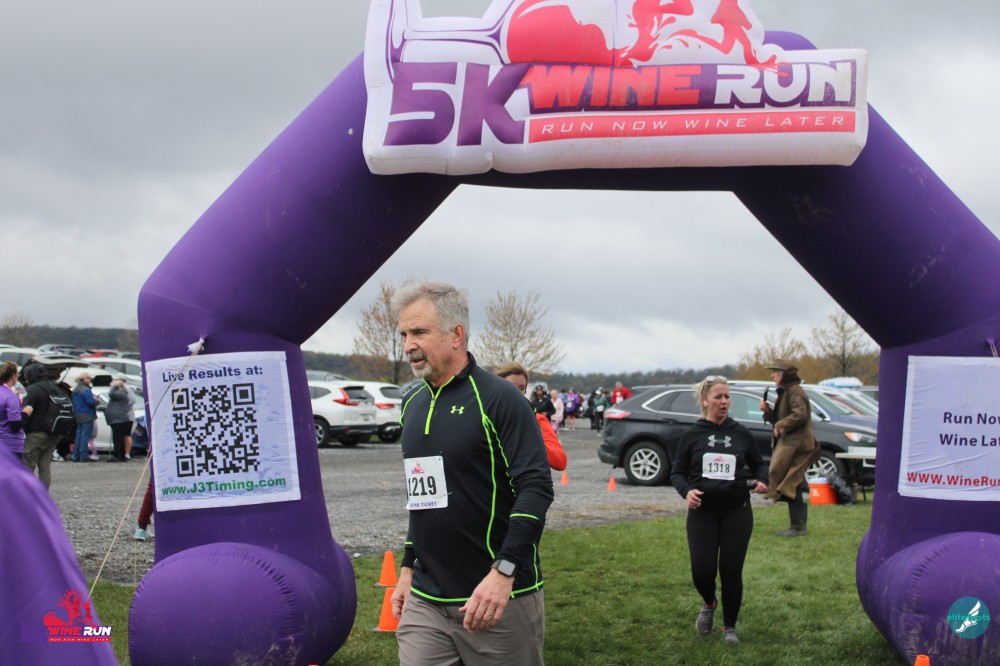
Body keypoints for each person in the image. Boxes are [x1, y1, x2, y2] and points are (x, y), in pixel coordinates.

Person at [390, 281, 554, 666]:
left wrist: (504, 571)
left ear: (456, 334)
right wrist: (408, 567)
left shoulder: (500, 398)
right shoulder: (412, 403)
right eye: (404, 334)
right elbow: (423, 495)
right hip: (427, 599)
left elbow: (536, 487)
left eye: (419, 332)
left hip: (498, 597)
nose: (408, 345)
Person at [670, 376, 768, 645]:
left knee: (731, 570)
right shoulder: (692, 434)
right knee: (702, 572)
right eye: (718, 397)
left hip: (737, 510)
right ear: (705, 401)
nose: (724, 402)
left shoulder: (740, 432)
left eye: (727, 397)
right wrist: (686, 491)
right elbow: (677, 472)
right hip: (702, 511)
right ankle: (709, 602)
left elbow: (759, 463)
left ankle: (729, 628)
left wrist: (763, 480)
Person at [760, 359, 821, 537]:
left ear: (784, 374)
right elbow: (781, 417)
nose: (772, 375)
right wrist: (768, 411)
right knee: (792, 482)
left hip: (798, 446)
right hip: (791, 444)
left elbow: (799, 415)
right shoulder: (786, 391)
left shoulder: (794, 391)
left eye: (775, 372)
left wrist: (781, 425)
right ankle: (797, 526)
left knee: (792, 482)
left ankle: (798, 527)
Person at [496, 362, 568, 471]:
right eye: (511, 387)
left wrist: (529, 434)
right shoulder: (485, 417)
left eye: (521, 388)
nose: (516, 392)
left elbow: (560, 461)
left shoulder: (537, 419)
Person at [19, 363, 62, 488]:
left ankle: (27, 496)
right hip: (53, 432)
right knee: (45, 467)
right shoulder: (55, 388)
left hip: (35, 434)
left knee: (27, 466)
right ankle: (43, 496)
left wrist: (20, 429)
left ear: (30, 375)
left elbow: (26, 411)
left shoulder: (32, 390)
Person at [0, 361, 27, 460]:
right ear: (13, 376)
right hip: (10, 445)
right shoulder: (10, 396)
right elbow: (15, 425)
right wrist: (25, 413)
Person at [104, 376, 133, 462]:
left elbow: (111, 393)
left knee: (117, 438)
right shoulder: (121, 396)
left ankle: (117, 455)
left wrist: (115, 385)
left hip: (119, 420)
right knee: (119, 438)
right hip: (119, 420)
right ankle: (122, 456)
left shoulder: (121, 395)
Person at [71, 373, 98, 462]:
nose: (90, 380)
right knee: (85, 436)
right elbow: (91, 402)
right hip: (87, 414)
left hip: (78, 415)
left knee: (78, 435)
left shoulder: (75, 390)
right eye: (89, 378)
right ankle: (83, 456)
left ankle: (75, 455)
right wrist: (97, 401)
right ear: (85, 379)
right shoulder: (86, 390)